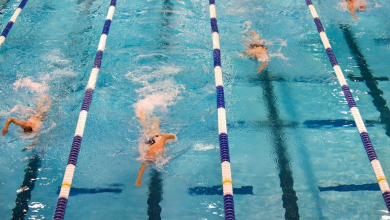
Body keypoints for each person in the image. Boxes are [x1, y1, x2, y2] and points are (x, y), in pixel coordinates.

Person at [135, 111, 176, 187]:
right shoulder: (155, 152)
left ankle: (144, 113)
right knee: (149, 127)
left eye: (148, 155)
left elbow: (164, 137)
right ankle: (145, 115)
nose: (147, 156)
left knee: (150, 126)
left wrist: (172, 137)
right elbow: (142, 169)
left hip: (156, 138)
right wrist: (138, 180)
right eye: (148, 156)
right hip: (155, 139)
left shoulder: (157, 149)